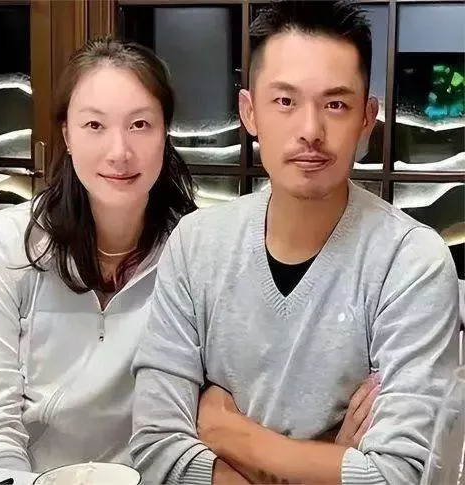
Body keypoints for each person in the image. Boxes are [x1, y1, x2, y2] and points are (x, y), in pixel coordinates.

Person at [129, 1, 460, 484]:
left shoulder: (410, 261)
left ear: (367, 119)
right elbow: (156, 445)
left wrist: (229, 432)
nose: (310, 131)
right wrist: (327, 463)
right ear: (249, 112)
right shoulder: (196, 246)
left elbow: (403, 475)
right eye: (285, 101)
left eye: (336, 105)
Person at [0, 38, 197, 473]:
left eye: (140, 124)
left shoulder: (194, 251)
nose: (119, 152)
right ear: (67, 135)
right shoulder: (8, 242)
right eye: (94, 125)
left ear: (166, 132)